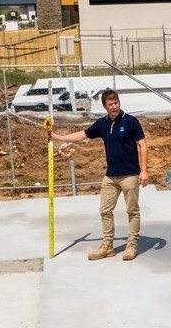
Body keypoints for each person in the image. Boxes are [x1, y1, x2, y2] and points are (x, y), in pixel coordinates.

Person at [49, 89, 148, 261]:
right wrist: (58, 137)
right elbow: (82, 134)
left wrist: (144, 170)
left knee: (132, 210)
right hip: (110, 176)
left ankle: (132, 245)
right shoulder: (102, 124)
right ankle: (107, 246)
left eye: (116, 103)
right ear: (104, 106)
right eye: (110, 104)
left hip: (130, 175)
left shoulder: (131, 121)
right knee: (105, 210)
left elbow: (143, 145)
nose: (114, 106)